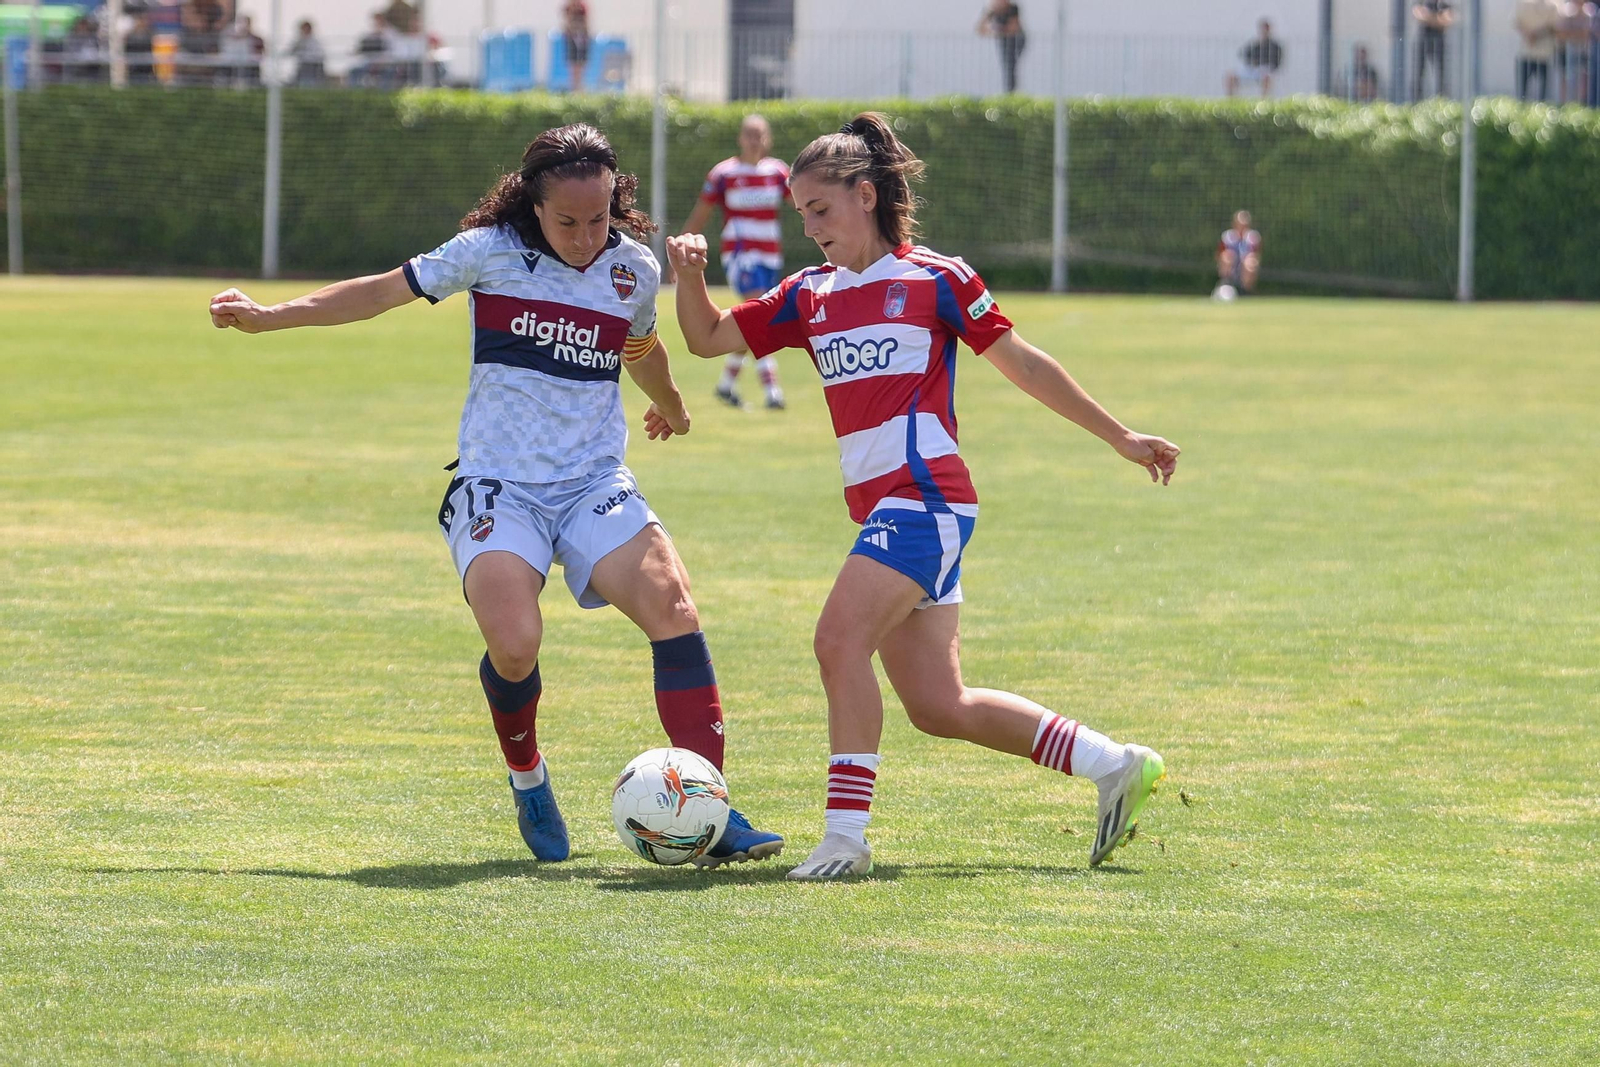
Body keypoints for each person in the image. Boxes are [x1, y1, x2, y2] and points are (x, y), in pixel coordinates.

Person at [207, 124, 783, 869]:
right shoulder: (488, 253)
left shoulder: (633, 270)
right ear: (533, 207)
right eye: (567, 221)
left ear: (617, 203)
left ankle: (709, 810)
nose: (584, 236)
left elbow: (639, 346)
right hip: (498, 485)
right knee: (515, 646)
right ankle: (528, 777)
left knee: (674, 608)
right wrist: (269, 316)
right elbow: (380, 292)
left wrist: (671, 405)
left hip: (592, 483)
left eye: (599, 219)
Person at [668, 113, 1179, 881]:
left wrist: (1120, 436)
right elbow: (707, 339)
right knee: (941, 706)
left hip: (928, 499)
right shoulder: (808, 297)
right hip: (886, 510)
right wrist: (687, 274)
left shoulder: (937, 278)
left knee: (837, 642)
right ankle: (1116, 764)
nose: (809, 229)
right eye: (799, 214)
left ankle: (846, 837)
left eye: (820, 210)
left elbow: (1026, 364)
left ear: (865, 196)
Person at [680, 114, 790, 411]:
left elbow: (805, 205)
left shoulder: (778, 172)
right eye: (749, 134)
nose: (754, 140)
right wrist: (680, 249)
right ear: (740, 138)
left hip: (770, 255)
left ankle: (726, 385)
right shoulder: (724, 174)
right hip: (741, 253)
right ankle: (773, 391)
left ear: (768, 139)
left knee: (750, 318)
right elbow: (701, 212)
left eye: (760, 135)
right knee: (758, 314)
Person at [976, 1, 1026, 94]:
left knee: (1010, 66)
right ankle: (1008, 92)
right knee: (1007, 67)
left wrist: (997, 30)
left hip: (1016, 42)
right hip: (1004, 42)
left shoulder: (1012, 9)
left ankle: (1011, 92)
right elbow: (980, 29)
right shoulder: (991, 11)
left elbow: (1014, 28)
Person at [1226, 19, 1283, 98]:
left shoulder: (1275, 46)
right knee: (1230, 76)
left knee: (1267, 78)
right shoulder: (1256, 44)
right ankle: (1232, 101)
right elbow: (1245, 54)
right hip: (1253, 69)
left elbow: (1276, 61)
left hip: (1265, 69)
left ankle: (1263, 101)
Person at [1516, 0, 1559, 101]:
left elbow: (1554, 27)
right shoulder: (1524, 4)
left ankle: (1540, 109)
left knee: (1543, 90)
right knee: (1523, 89)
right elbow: (1517, 22)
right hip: (1527, 53)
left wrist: (1535, 35)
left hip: (1543, 54)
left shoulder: (1552, 6)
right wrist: (1529, 35)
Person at [1412, 0, 1454, 99]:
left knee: (1442, 74)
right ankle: (1417, 100)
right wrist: (1437, 18)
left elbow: (1446, 20)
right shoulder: (1422, 3)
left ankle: (1442, 99)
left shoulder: (1443, 4)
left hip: (1440, 44)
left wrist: (1429, 18)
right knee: (1419, 74)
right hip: (1423, 42)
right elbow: (1419, 15)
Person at [1217, 210, 1261, 296]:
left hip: (1245, 264)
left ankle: (1245, 291)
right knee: (1227, 257)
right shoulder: (1227, 236)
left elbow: (1257, 255)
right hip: (1232, 263)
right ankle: (1226, 284)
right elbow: (1219, 254)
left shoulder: (1253, 237)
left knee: (1250, 263)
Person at [563, 0, 591, 92]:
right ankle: (574, 87)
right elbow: (566, 23)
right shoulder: (568, 7)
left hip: (582, 39)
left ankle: (580, 87)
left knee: (581, 65)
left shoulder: (583, 7)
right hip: (572, 40)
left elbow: (586, 23)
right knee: (573, 65)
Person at [289, 19, 326, 87]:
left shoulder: (314, 41)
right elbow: (292, 50)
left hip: (312, 65)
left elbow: (319, 55)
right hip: (303, 64)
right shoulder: (300, 40)